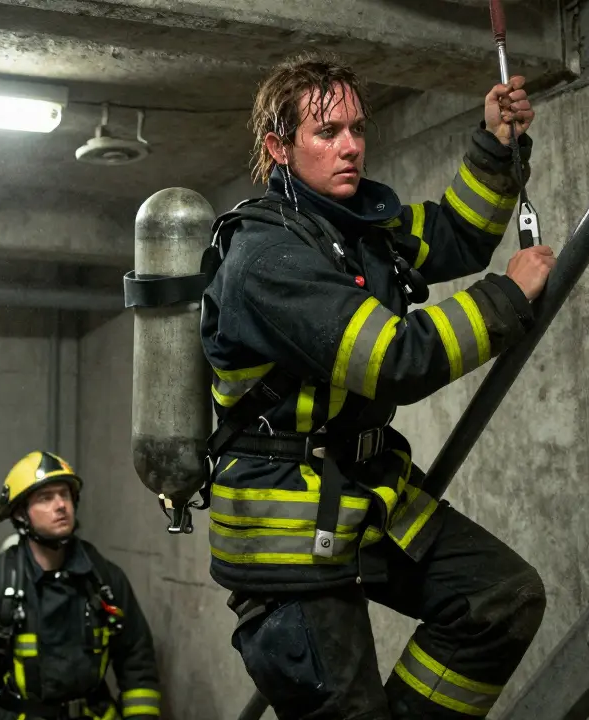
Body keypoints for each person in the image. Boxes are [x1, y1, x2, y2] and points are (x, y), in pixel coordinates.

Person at [200, 52, 556, 720]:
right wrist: (507, 298)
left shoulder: (356, 226)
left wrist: (495, 144)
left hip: (360, 495)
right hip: (287, 534)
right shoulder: (267, 258)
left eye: (357, 129)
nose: (352, 147)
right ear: (279, 147)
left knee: (498, 599)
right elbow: (396, 359)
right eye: (327, 133)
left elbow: (455, 235)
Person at [0, 451, 162, 719]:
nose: (60, 505)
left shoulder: (104, 579)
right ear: (20, 514)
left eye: (64, 495)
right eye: (45, 498)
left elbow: (138, 661)